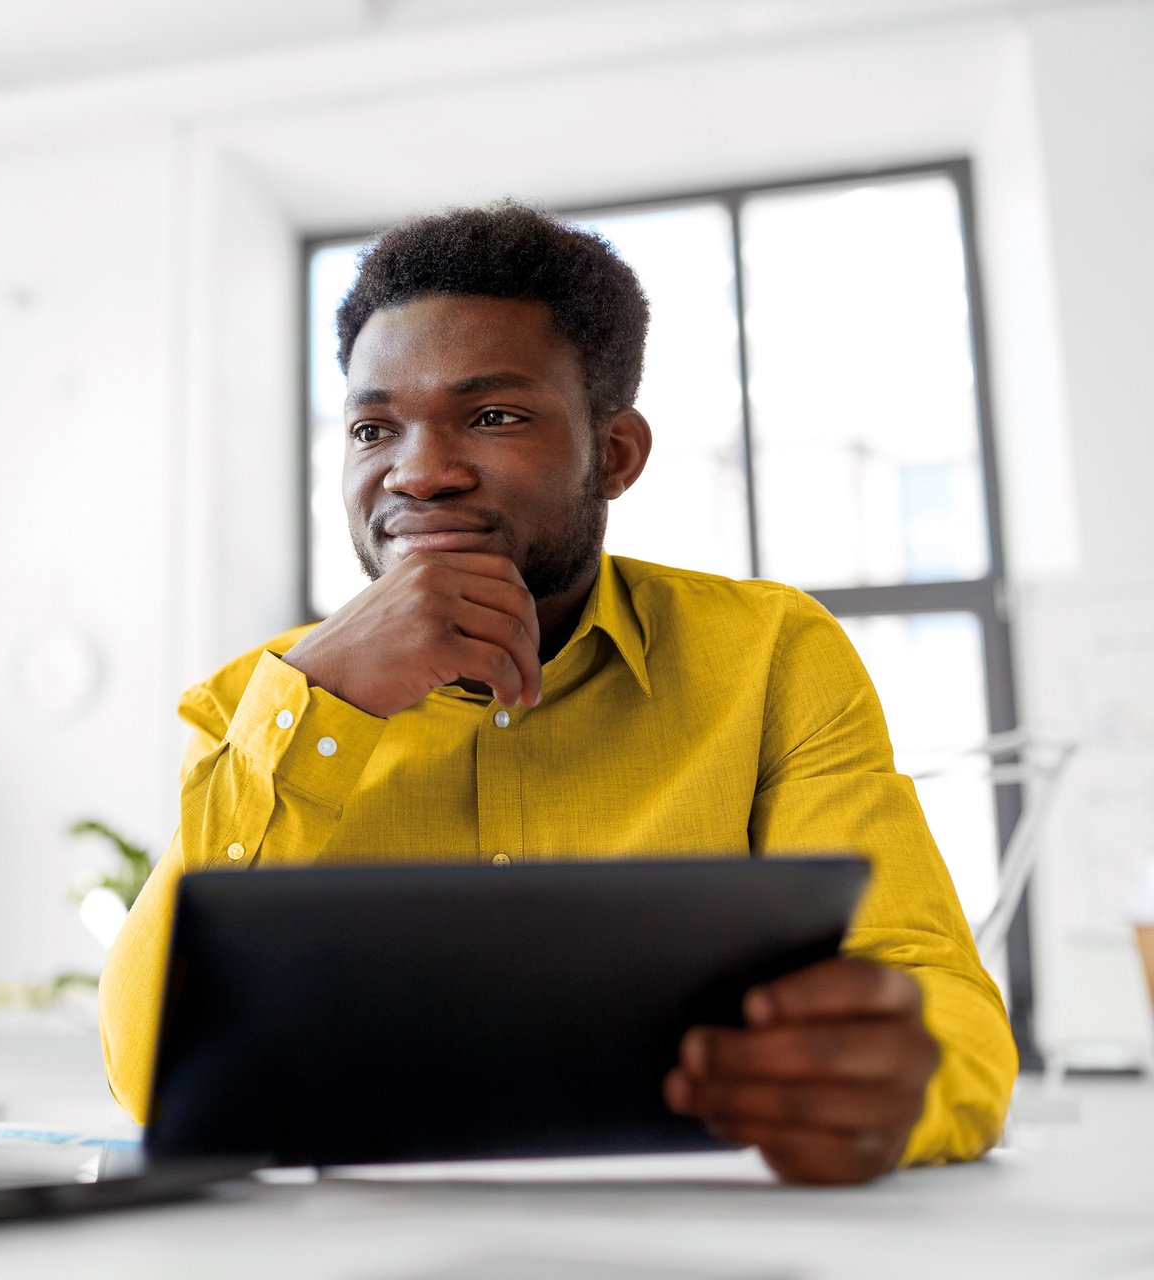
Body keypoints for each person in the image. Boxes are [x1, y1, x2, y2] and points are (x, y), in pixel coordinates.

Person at [98, 200, 1017, 1186]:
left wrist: (897, 1084)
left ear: (614, 453)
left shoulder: (771, 655)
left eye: (492, 415)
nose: (420, 472)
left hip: (697, 1235)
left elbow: (933, 995)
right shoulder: (261, 698)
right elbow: (150, 1065)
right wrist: (328, 696)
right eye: (374, 425)